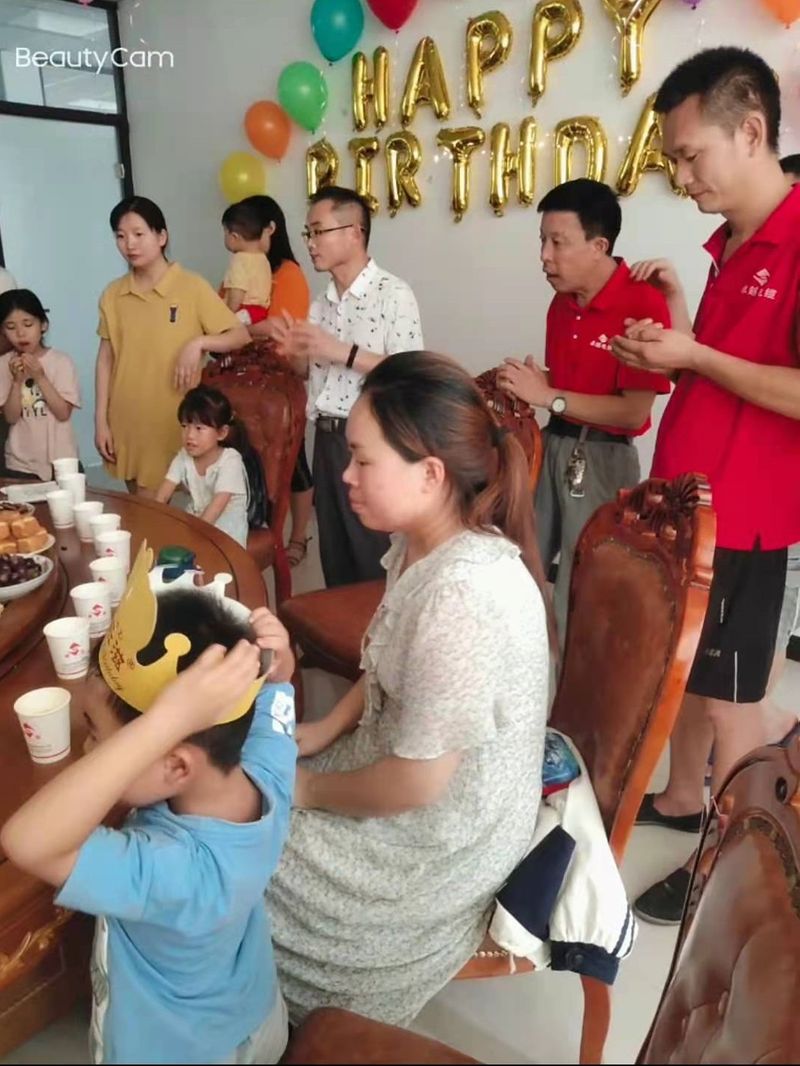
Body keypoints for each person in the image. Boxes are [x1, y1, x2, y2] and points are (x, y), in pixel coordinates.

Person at [267, 351, 550, 1025]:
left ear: (430, 474)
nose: (345, 475)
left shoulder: (462, 599)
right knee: (241, 797)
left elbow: (419, 784)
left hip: (439, 840)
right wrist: (324, 729)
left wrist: (308, 790)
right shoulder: (423, 542)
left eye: (362, 460)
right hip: (412, 769)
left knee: (234, 843)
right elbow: (386, 663)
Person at [611, 47, 800, 924]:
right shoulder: (732, 241)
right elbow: (731, 369)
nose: (681, 177)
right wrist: (679, 338)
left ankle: (737, 869)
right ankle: (685, 796)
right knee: (688, 673)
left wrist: (693, 353)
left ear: (751, 131)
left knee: (733, 703)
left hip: (748, 519)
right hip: (698, 505)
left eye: (691, 157)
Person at [1, 590, 297, 1065]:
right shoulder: (267, 767)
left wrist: (166, 720)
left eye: (96, 734)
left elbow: (27, 842)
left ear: (176, 765)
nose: (87, 749)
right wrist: (277, 665)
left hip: (177, 1049)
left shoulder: (176, 870)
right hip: (254, 1007)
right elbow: (278, 691)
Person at [497, 179, 671, 641]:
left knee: (585, 585)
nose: (544, 256)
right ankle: (522, 665)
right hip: (552, 444)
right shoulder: (561, 303)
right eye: (542, 241)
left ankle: (572, 683)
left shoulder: (642, 302)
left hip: (603, 459)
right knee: (517, 560)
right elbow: (569, 386)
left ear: (599, 246)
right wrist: (533, 384)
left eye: (558, 243)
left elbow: (632, 414)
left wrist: (549, 396)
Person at [272, 186, 423, 588]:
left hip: (373, 444)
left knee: (372, 559)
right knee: (335, 556)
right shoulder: (320, 304)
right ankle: (340, 630)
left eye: (318, 231)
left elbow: (411, 372)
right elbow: (311, 371)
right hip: (325, 440)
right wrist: (293, 354)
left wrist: (340, 350)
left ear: (355, 232)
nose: (310, 243)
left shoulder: (393, 294)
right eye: (308, 233)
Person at [95, 196, 249, 499]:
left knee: (171, 508)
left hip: (176, 418)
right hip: (128, 417)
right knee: (141, 507)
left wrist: (199, 342)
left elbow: (239, 335)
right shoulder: (113, 294)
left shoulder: (191, 286)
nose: (130, 244)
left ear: (161, 236)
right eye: (121, 236)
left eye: (139, 234)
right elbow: (105, 360)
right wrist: (101, 421)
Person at [234, 196, 314, 568]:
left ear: (270, 229)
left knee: (293, 464)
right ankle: (262, 533)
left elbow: (281, 332)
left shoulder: (288, 274)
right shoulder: (241, 268)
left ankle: (298, 536)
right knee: (252, 464)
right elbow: (221, 317)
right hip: (242, 385)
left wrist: (245, 330)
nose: (236, 239)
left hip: (279, 385)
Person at [156, 385, 251, 548]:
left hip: (226, 534)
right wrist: (155, 520)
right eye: (185, 426)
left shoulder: (230, 461)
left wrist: (191, 540)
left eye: (199, 428)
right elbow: (162, 496)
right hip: (197, 523)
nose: (190, 435)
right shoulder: (184, 456)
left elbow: (216, 508)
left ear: (221, 433)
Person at [0, 289, 80, 481]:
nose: (20, 333)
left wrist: (40, 377)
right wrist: (17, 381)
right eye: (10, 327)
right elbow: (11, 417)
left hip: (62, 461)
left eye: (28, 324)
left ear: (43, 325)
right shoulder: (4, 364)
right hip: (20, 463)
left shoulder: (61, 362)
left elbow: (63, 413)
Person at [221, 201, 272, 325]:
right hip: (261, 313)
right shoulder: (263, 258)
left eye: (225, 232)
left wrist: (227, 315)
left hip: (244, 310)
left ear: (234, 236)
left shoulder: (239, 259)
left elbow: (237, 292)